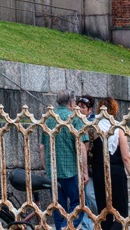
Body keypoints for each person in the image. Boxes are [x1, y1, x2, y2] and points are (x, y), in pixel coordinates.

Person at [85, 96, 130, 230]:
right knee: (121, 213)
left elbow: (86, 148)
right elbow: (126, 158)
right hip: (116, 172)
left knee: (104, 213)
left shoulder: (93, 128)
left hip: (100, 172)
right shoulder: (118, 129)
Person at [43, 92, 84, 230]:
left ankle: (62, 227)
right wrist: (84, 171)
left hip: (53, 172)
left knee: (57, 207)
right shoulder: (74, 118)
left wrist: (46, 168)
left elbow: (42, 147)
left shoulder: (49, 119)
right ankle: (66, 228)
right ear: (72, 103)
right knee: (78, 205)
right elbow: (81, 146)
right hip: (71, 170)